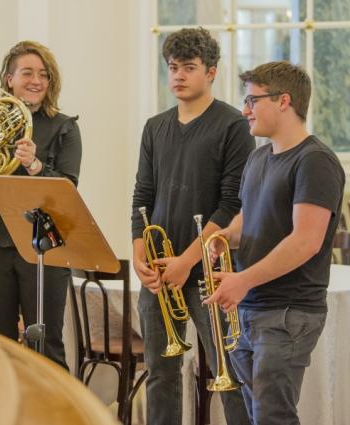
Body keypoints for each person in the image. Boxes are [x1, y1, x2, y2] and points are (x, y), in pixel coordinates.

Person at [205, 61, 344, 425]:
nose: (244, 109)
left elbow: (305, 242)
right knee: (256, 414)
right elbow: (248, 218)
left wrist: (242, 279)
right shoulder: (258, 158)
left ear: (284, 101)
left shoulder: (315, 161)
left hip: (288, 312)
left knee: (272, 416)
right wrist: (225, 236)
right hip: (250, 308)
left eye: (252, 100)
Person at [131, 28, 254, 425]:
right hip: (160, 269)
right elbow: (142, 195)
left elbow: (232, 203)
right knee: (160, 374)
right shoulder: (155, 126)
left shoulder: (234, 125)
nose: (178, 75)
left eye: (189, 67)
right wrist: (138, 253)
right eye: (173, 67)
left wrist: (187, 260)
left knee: (229, 373)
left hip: (212, 271)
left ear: (212, 72)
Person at [0, 40, 82, 369]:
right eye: (27, 72)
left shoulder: (64, 127)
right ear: (8, 79)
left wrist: (36, 166)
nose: (36, 80)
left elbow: (69, 187)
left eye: (44, 74)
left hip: (44, 247)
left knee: (45, 345)